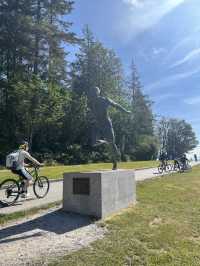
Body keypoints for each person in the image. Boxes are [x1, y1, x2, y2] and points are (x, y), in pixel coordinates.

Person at [88, 87, 131, 170]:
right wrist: (91, 118)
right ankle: (105, 141)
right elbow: (92, 113)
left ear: (98, 93)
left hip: (106, 124)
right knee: (94, 143)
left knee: (112, 143)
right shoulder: (91, 103)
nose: (93, 94)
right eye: (92, 93)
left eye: (94, 93)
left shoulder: (105, 100)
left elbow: (116, 105)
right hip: (97, 124)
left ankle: (114, 162)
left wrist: (125, 111)